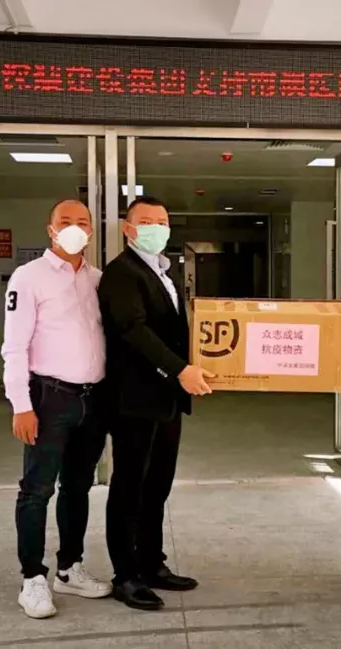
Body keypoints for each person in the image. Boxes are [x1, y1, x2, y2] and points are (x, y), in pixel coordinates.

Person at [97, 195, 214, 611]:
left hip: (166, 400)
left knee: (157, 485)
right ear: (128, 229)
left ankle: (151, 562)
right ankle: (125, 575)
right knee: (129, 486)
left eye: (162, 221)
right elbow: (133, 329)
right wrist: (180, 369)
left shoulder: (163, 271)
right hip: (135, 399)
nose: (156, 228)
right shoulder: (122, 272)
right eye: (146, 221)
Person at [1, 199, 112, 619]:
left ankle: (69, 568)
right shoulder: (29, 277)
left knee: (78, 487)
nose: (74, 228)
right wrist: (21, 405)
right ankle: (32, 578)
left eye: (82, 222)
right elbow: (14, 346)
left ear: (91, 231)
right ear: (50, 229)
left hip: (92, 400)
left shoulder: (98, 280)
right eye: (65, 221)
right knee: (37, 489)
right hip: (49, 399)